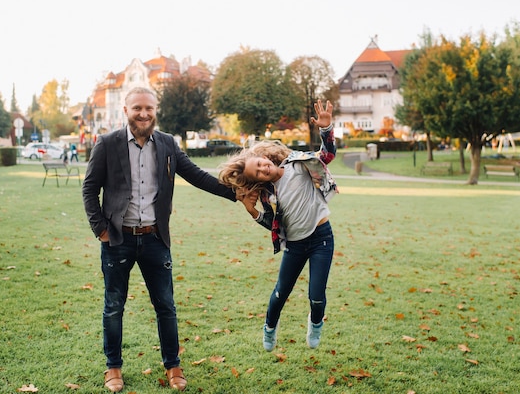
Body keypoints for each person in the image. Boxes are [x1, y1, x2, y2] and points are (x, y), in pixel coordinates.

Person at [82, 87, 236, 392]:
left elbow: (197, 176)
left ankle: (173, 366)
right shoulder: (107, 143)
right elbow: (90, 189)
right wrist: (100, 229)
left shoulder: (167, 144)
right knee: (114, 305)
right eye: (137, 108)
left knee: (166, 305)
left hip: (155, 238)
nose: (143, 113)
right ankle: (113, 367)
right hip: (117, 239)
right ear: (125, 111)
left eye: (149, 108)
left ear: (156, 111)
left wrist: (236, 192)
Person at [218, 100, 337, 352]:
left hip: (321, 237)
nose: (263, 168)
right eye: (258, 172)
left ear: (265, 158)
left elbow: (326, 156)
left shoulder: (297, 164)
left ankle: (315, 323)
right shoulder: (267, 195)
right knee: (280, 294)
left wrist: (325, 131)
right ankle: (270, 326)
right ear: (256, 181)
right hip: (295, 245)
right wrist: (252, 213)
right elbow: (274, 226)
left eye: (261, 163)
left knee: (317, 296)